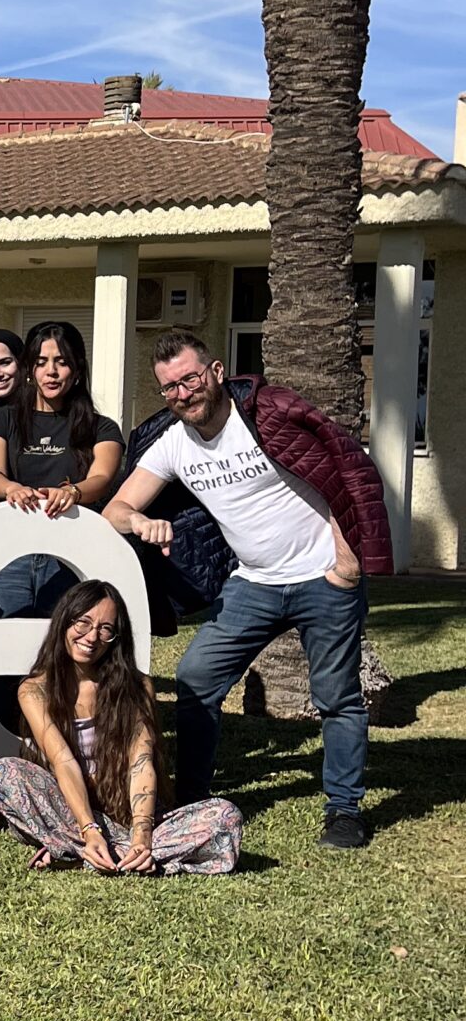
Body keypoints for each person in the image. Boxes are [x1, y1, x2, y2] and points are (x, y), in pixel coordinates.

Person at [104, 333, 389, 849]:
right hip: (254, 583)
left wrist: (347, 565)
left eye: (190, 378)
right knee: (195, 679)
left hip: (322, 577)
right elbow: (115, 511)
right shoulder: (173, 443)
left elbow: (347, 470)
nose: (183, 393)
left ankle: (344, 811)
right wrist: (140, 521)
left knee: (337, 697)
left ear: (216, 371)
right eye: (170, 388)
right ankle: (193, 799)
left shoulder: (267, 415)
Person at [0, 581, 243, 875]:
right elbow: (62, 761)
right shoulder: (35, 690)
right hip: (69, 807)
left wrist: (142, 837)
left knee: (226, 816)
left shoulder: (137, 686)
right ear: (64, 622)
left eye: (105, 629)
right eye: (83, 623)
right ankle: (107, 850)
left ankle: (90, 851)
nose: (91, 637)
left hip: (126, 810)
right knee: (4, 773)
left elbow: (141, 763)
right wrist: (89, 828)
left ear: (116, 638)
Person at [0, 319, 123, 618]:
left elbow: (102, 478)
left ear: (77, 370)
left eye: (62, 362)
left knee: (65, 637)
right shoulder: (1, 419)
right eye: (41, 362)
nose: (51, 371)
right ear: (30, 369)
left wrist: (73, 492)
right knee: (3, 635)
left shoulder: (102, 427)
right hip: (9, 551)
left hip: (72, 553)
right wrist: (11, 488)